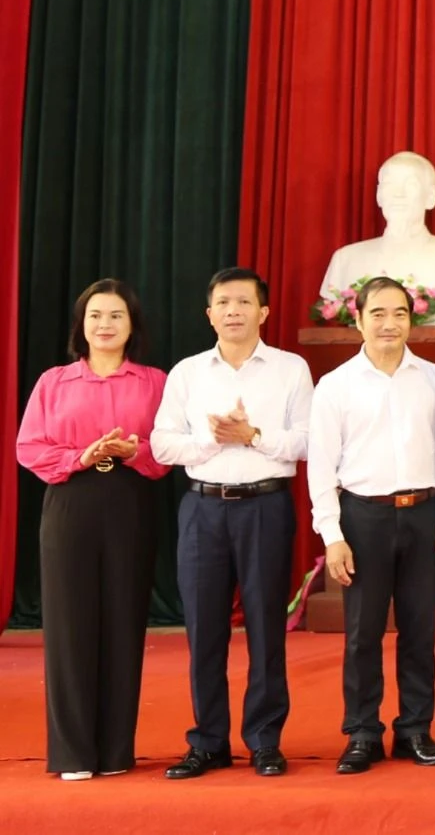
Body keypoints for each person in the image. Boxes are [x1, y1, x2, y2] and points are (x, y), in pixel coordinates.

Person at [151, 268, 314, 779]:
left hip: (265, 506)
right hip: (203, 508)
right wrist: (213, 439)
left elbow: (309, 440)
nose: (233, 311)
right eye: (223, 303)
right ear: (209, 314)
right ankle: (208, 741)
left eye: (244, 302)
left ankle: (264, 740)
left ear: (264, 311)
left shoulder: (290, 369)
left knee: (266, 627)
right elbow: (161, 445)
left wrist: (253, 435)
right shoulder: (187, 373)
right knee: (204, 628)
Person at [306, 277, 435, 773]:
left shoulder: (434, 379)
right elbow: (320, 466)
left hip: (425, 514)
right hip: (363, 516)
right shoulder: (335, 385)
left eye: (399, 313)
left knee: (420, 629)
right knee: (362, 632)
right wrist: (333, 536)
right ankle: (362, 732)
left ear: (411, 320)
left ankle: (415, 729)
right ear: (358, 319)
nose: (389, 323)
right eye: (377, 313)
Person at [15, 280, 168, 780]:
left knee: (124, 619)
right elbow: (29, 446)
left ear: (132, 324)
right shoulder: (54, 381)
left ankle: (116, 751)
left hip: (130, 500)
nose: (105, 324)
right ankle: (72, 754)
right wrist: (79, 457)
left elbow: (168, 450)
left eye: (116, 315)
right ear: (81, 325)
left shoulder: (154, 382)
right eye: (95, 315)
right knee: (69, 624)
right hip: (70, 500)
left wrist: (135, 451)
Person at [319, 152, 435, 308]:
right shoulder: (345, 260)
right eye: (389, 185)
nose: (398, 194)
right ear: (379, 196)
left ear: (431, 197)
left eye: (410, 185)